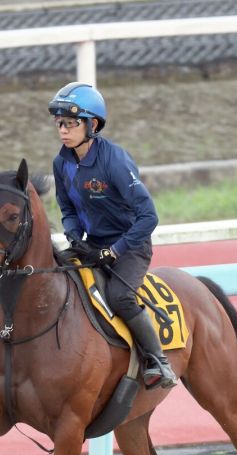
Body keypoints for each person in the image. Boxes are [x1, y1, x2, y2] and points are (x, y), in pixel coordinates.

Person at [48, 81, 178, 390]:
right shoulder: (60, 163)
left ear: (92, 124)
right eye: (59, 124)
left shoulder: (115, 161)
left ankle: (158, 360)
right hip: (92, 244)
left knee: (119, 297)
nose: (63, 130)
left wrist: (114, 251)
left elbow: (149, 217)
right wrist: (73, 234)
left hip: (131, 245)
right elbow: (66, 207)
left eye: (70, 123)